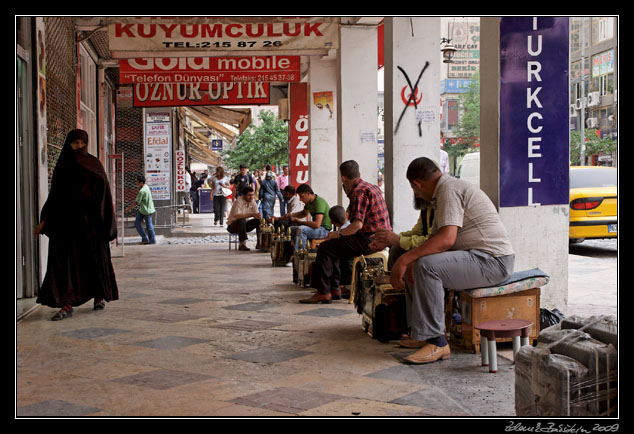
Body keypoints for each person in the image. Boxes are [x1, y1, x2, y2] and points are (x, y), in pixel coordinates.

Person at [391, 157, 515, 365]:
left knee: (426, 266)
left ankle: (437, 342)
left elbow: (446, 239)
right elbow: (434, 239)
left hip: (493, 261)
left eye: (414, 189)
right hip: (477, 257)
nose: (416, 194)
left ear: (416, 184)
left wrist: (405, 258)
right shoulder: (443, 192)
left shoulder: (449, 190)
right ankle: (421, 334)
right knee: (416, 265)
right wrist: (410, 260)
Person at [33, 129, 119, 321]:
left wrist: (106, 223)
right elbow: (55, 196)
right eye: (75, 143)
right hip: (68, 225)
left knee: (94, 261)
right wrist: (44, 222)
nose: (79, 147)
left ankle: (99, 296)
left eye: (82, 143)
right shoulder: (63, 165)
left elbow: (104, 192)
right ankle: (66, 303)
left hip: (92, 226)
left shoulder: (94, 163)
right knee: (66, 266)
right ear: (69, 143)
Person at [299, 160, 391, 304]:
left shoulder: (358, 192)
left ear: (343, 178)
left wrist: (338, 234)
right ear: (358, 173)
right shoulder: (372, 187)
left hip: (369, 240)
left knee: (325, 247)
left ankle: (323, 292)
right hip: (382, 237)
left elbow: (357, 225)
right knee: (334, 247)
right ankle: (334, 289)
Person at [370, 194, 435, 269]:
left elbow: (430, 241)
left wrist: (398, 240)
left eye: (415, 186)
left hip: (437, 251)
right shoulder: (426, 206)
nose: (415, 192)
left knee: (400, 253)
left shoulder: (439, 206)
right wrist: (388, 239)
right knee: (396, 249)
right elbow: (416, 232)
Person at [285, 184, 332, 253]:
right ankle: (289, 255)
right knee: (290, 229)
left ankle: (298, 257)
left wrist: (300, 222)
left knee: (301, 230)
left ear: (308, 194)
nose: (300, 200)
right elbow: (303, 213)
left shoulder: (319, 203)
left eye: (302, 197)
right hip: (317, 229)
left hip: (324, 230)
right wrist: (291, 214)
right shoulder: (309, 202)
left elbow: (317, 225)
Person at [227, 187, 261, 251]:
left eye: (252, 195)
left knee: (258, 221)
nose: (251, 197)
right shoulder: (238, 201)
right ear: (244, 195)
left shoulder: (252, 201)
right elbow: (237, 216)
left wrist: (258, 216)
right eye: (249, 195)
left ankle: (260, 243)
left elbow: (256, 213)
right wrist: (251, 214)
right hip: (233, 226)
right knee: (241, 220)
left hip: (244, 225)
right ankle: (242, 244)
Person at [125, 175, 156, 245]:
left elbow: (136, 202)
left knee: (149, 226)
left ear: (141, 182)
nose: (136, 183)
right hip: (143, 209)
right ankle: (145, 239)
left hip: (146, 210)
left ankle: (152, 241)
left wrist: (128, 209)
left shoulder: (142, 191)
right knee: (137, 223)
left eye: (137, 182)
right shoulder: (146, 187)